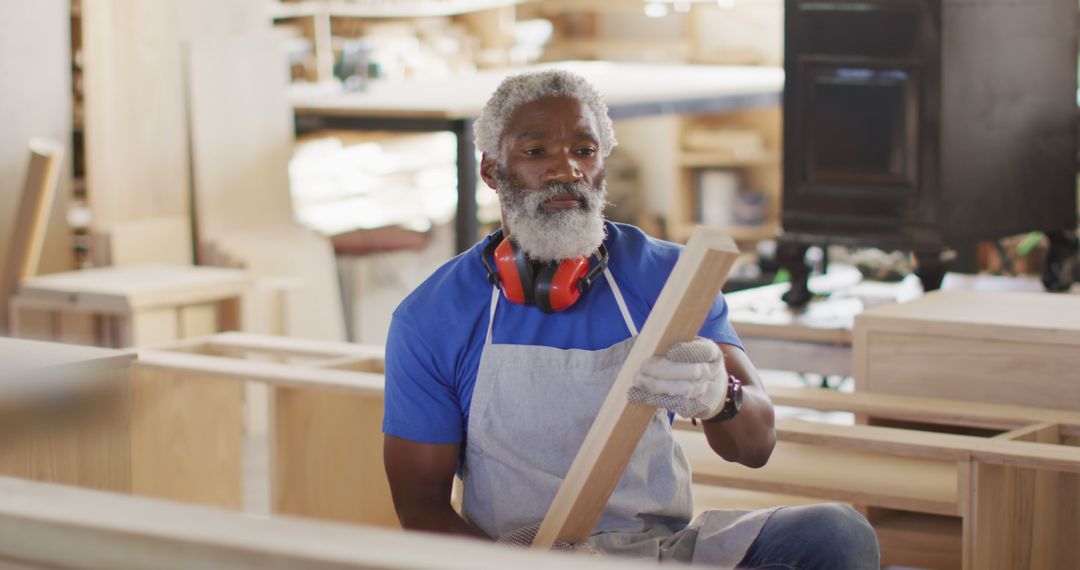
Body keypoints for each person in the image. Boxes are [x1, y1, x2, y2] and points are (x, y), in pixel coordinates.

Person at [382, 69, 879, 569]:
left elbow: (756, 446)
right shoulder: (432, 316)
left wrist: (719, 398)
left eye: (584, 150)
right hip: (525, 560)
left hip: (661, 553)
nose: (567, 170)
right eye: (536, 153)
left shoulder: (671, 276)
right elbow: (420, 506)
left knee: (836, 533)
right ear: (491, 171)